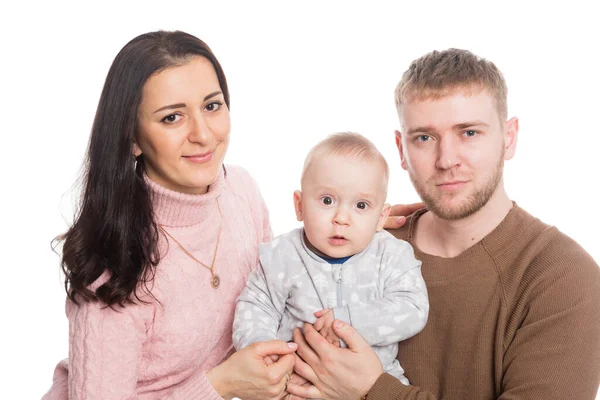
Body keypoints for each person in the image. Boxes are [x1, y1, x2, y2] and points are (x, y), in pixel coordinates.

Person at [288, 48, 600, 399]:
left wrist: (373, 391)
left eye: (468, 133)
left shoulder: (563, 277)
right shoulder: (363, 241)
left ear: (509, 137)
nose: (447, 160)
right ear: (401, 149)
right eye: (424, 137)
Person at [41, 30, 301, 400]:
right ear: (132, 138)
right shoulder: (113, 266)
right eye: (172, 118)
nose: (203, 134)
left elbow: (272, 293)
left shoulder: (241, 190)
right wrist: (221, 385)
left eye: (212, 106)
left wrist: (349, 233)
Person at [232, 132, 429, 387]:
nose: (341, 218)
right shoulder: (282, 255)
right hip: (297, 383)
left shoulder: (391, 256)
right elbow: (255, 305)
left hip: (372, 384)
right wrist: (262, 348)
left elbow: (412, 308)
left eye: (360, 205)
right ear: (299, 205)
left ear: (382, 216)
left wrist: (349, 320)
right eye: (327, 200)